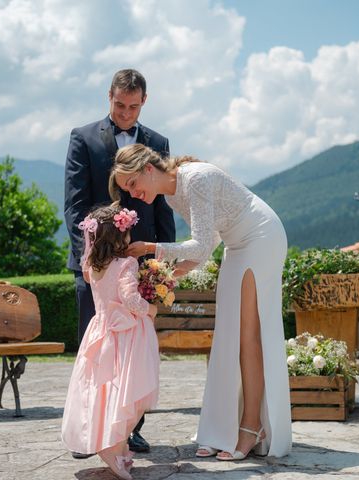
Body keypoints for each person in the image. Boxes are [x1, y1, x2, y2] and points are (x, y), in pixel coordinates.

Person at [109, 144, 292, 460]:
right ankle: (221, 428)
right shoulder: (171, 194)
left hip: (261, 237)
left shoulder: (195, 179)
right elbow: (207, 245)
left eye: (133, 184)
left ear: (148, 169)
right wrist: (172, 274)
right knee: (228, 337)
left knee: (248, 336)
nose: (133, 193)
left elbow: (201, 243)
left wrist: (152, 248)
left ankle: (252, 427)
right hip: (235, 246)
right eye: (128, 189)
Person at [63, 68, 175, 454]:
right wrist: (93, 257)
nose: (125, 113)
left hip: (142, 261)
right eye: (119, 105)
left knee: (136, 354)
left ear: (144, 101)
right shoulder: (83, 138)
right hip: (95, 265)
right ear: (108, 96)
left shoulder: (158, 142)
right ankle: (88, 431)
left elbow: (162, 209)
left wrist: (163, 261)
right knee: (94, 350)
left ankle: (129, 427)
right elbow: (75, 204)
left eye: (133, 106)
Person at [61, 204, 160, 480]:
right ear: (119, 238)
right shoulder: (126, 264)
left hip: (100, 330)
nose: (129, 237)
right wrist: (150, 309)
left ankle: (116, 444)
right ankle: (113, 446)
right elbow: (129, 300)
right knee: (129, 393)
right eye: (127, 233)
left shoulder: (91, 266)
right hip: (125, 334)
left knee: (104, 391)